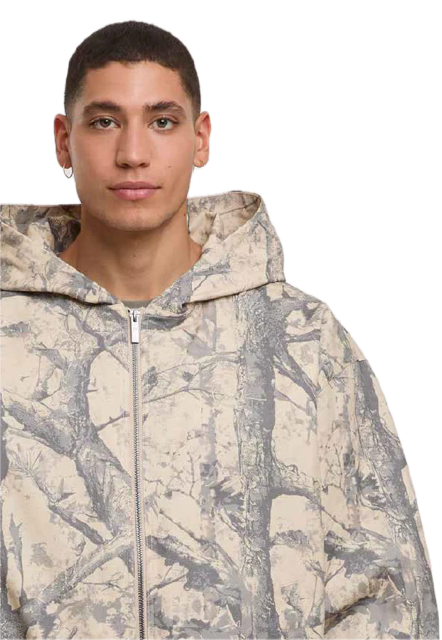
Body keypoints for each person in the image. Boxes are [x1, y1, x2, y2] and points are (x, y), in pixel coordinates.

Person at [0, 19, 438, 640]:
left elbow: (388, 590)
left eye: (162, 121)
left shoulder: (302, 338)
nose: (132, 153)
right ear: (63, 141)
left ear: (201, 139)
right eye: (104, 122)